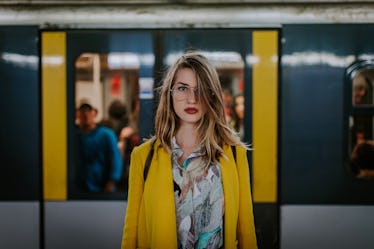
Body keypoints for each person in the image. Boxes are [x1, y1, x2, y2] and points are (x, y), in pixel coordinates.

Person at [121, 52, 257, 248]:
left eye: (200, 89)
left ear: (212, 95)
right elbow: (130, 234)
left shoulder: (234, 155)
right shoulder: (144, 157)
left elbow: (247, 233)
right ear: (170, 93)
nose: (192, 99)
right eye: (182, 88)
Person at [76, 98, 123, 192]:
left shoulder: (107, 135)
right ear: (77, 114)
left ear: (95, 113)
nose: (86, 114)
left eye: (89, 110)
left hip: (102, 191)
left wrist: (110, 185)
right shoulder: (73, 136)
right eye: (82, 111)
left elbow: (116, 161)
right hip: (78, 191)